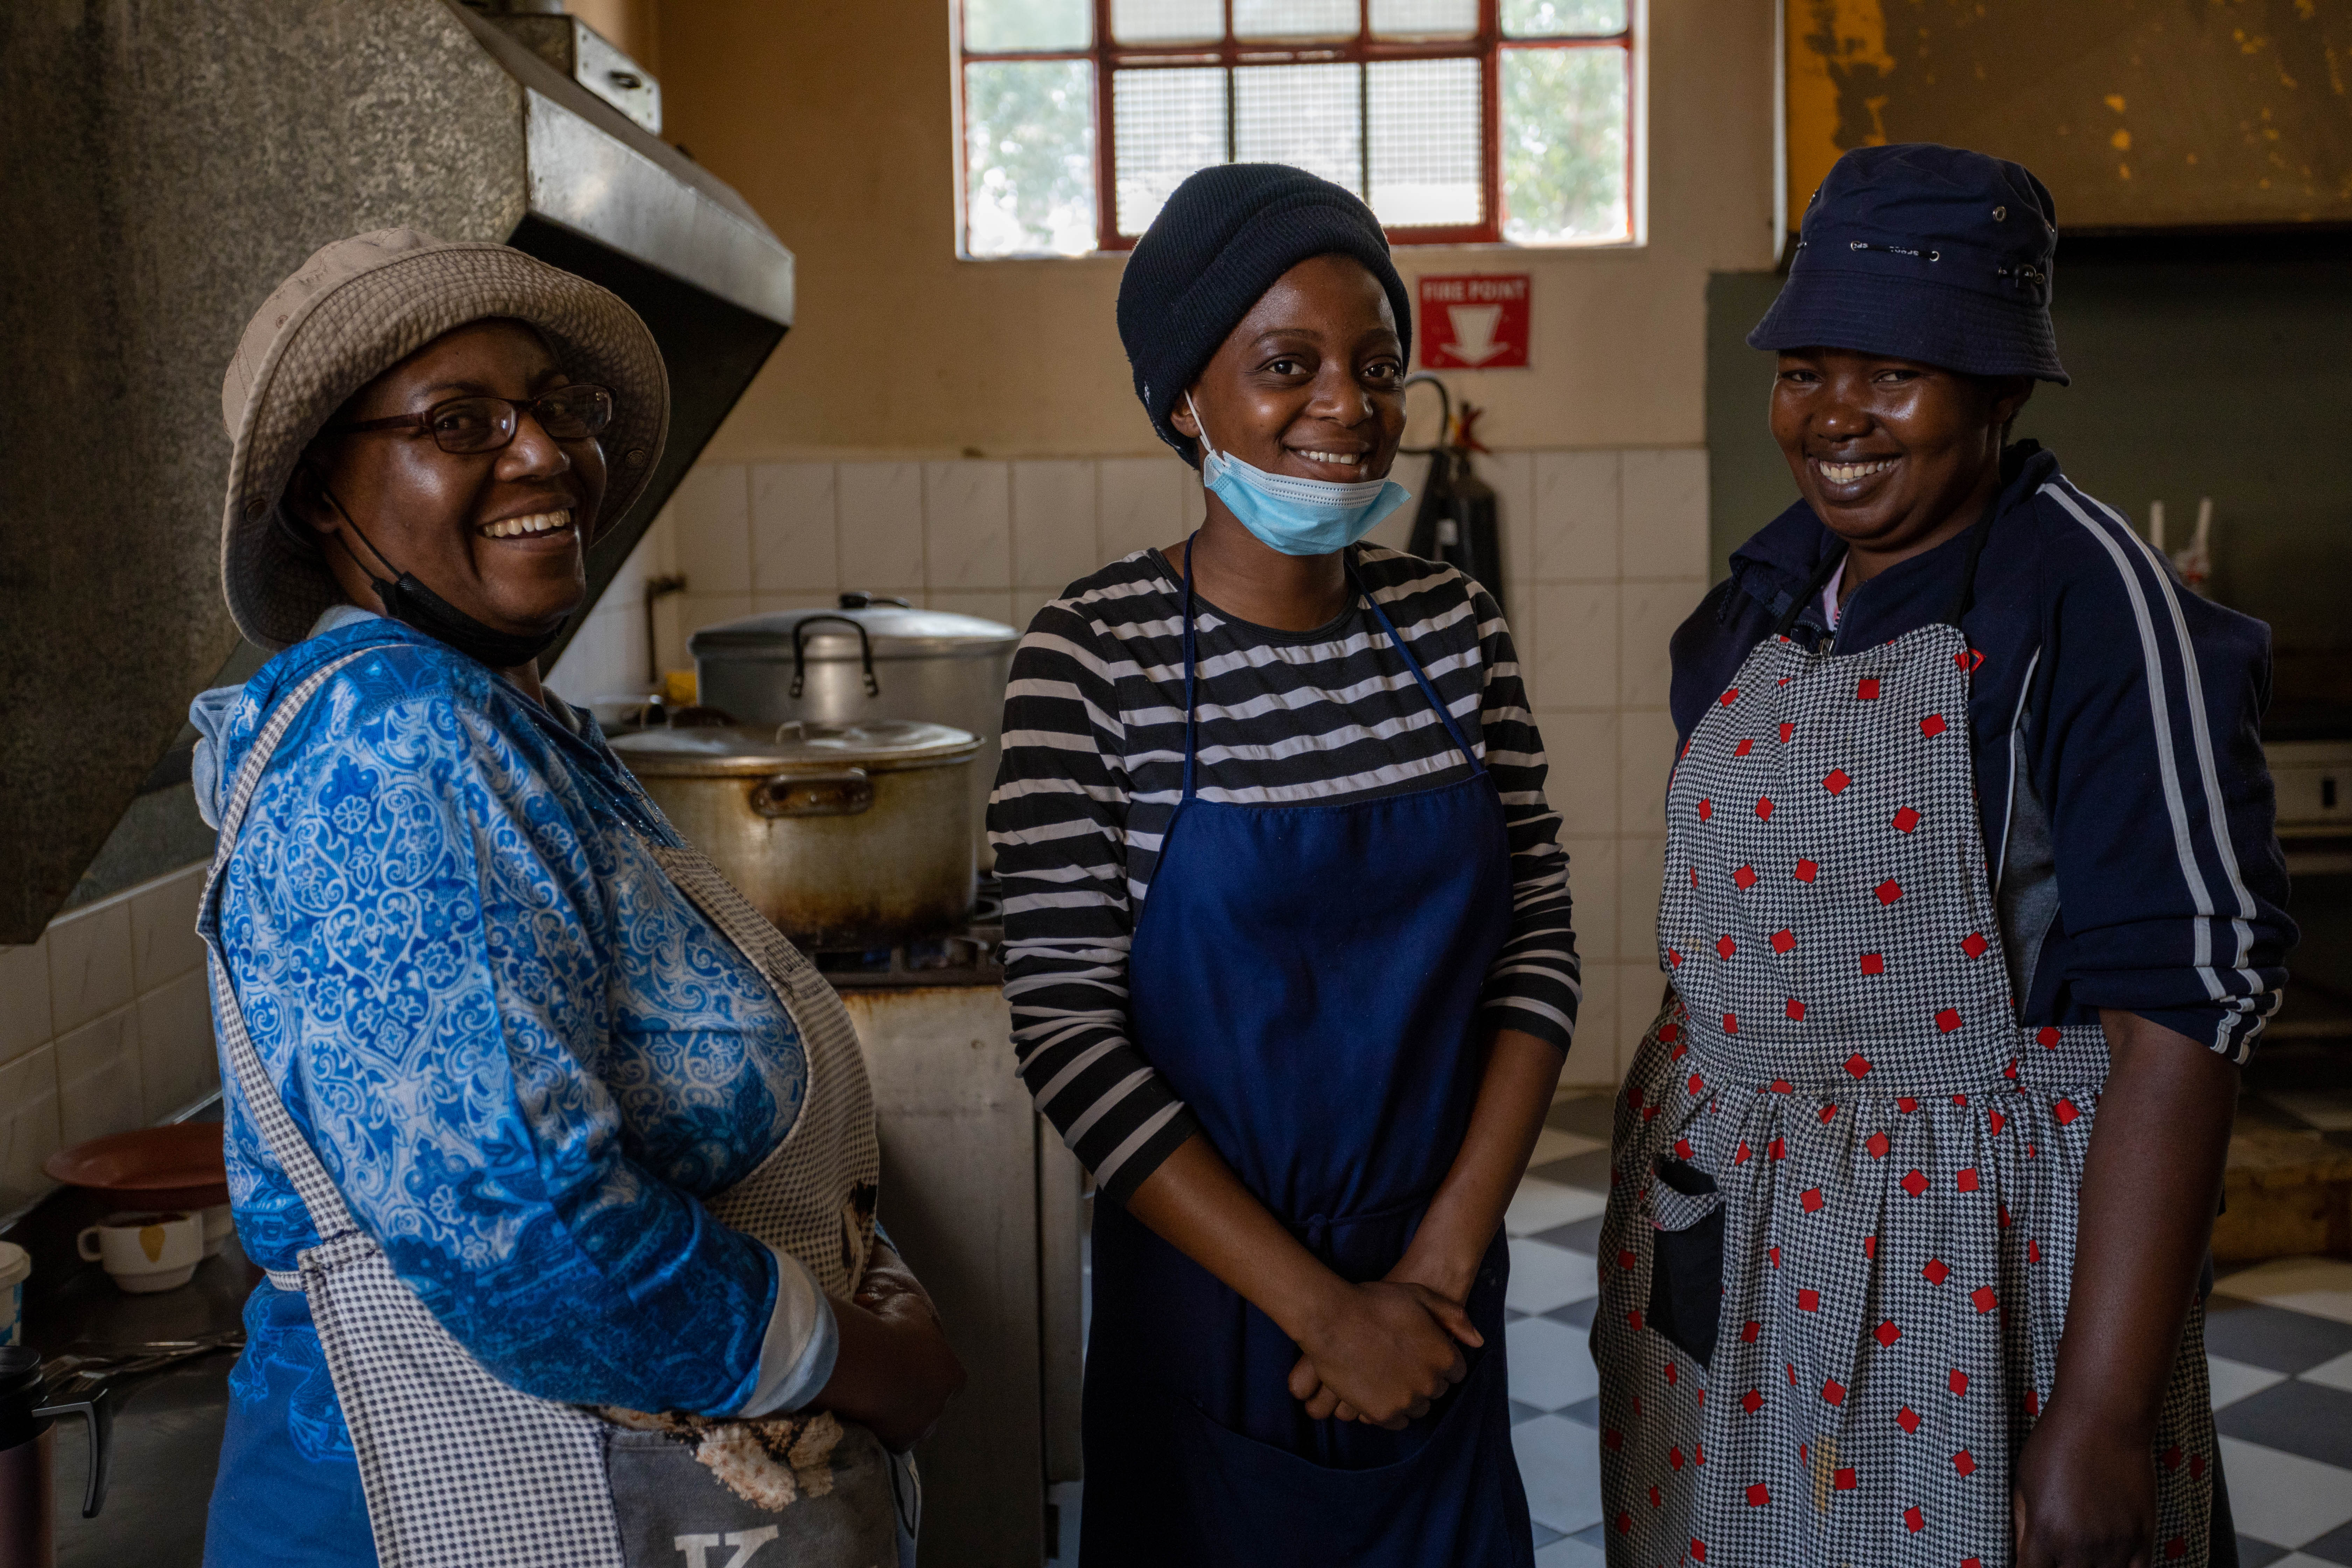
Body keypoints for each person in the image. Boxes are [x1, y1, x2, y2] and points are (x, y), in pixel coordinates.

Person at [193, 229, 964, 1567]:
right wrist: (860, 1363)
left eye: (559, 407)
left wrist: (858, 1257)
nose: (544, 452)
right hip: (450, 1512)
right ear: (327, 493)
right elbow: (525, 1229)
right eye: (461, 421)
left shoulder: (512, 724)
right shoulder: (399, 733)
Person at [1593, 145, 2294, 1568]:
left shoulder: (2093, 606)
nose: (1836, 415)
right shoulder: (1761, 599)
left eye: (1896, 372)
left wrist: (2095, 1413)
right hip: (1738, 1251)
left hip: (1972, 1273)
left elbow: (2187, 1006)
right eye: (1806, 368)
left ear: (1999, 389)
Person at [989, 164, 1582, 1566]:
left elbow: (1539, 943)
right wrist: (1326, 1312)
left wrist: (1431, 1270)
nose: (1347, 403)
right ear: (1183, 401)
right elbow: (1067, 1033)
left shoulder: (1452, 628)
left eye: (1379, 366)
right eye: (1286, 365)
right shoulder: (1091, 657)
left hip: (1436, 1293)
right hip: (1214, 1293)